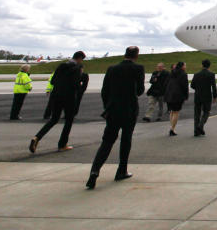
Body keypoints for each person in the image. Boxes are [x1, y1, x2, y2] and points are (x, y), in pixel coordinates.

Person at [86, 46, 144, 189]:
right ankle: (121, 171)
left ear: (125, 54)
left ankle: (94, 171)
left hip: (113, 110)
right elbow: (140, 90)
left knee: (107, 141)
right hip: (129, 109)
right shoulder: (138, 68)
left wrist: (108, 106)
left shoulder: (112, 68)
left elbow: (104, 91)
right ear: (136, 56)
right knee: (126, 140)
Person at [30, 51, 85, 153]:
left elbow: (53, 81)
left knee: (54, 119)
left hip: (56, 95)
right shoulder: (77, 68)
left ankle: (37, 137)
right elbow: (75, 84)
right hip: (68, 97)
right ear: (80, 59)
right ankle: (62, 144)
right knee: (69, 120)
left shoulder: (62, 66)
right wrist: (80, 85)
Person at [190, 59, 217, 136]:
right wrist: (215, 96)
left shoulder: (196, 74)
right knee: (206, 112)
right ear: (209, 66)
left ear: (202, 65)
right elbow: (214, 87)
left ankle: (196, 131)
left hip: (198, 95)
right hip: (207, 96)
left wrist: (198, 89)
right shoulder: (211, 74)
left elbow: (192, 85)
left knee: (197, 113)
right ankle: (200, 126)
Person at [165, 61, 189, 136]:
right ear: (182, 66)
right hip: (178, 95)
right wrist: (186, 95)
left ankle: (171, 127)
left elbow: (166, 83)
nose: (185, 67)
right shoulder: (183, 74)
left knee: (172, 111)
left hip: (169, 94)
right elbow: (184, 86)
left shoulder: (172, 73)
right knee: (176, 112)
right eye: (185, 65)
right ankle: (172, 129)